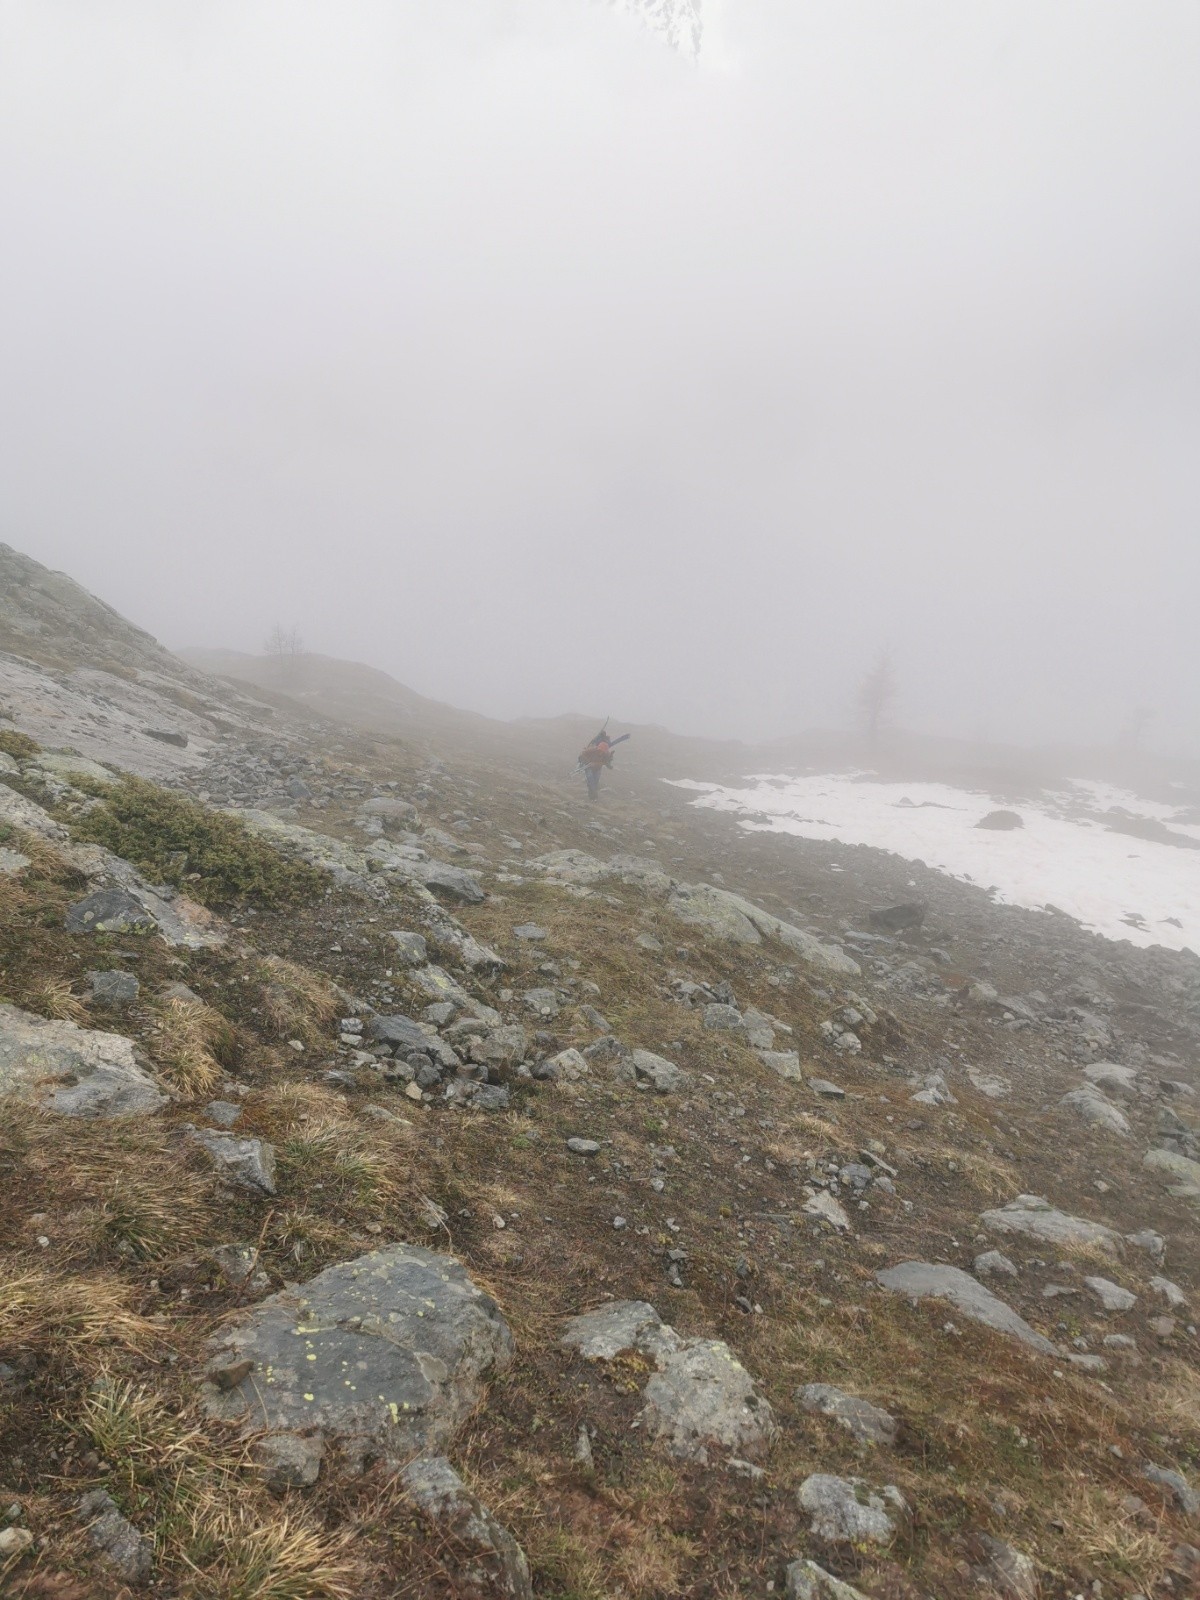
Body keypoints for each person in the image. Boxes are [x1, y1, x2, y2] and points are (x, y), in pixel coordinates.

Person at [578, 725, 629, 800]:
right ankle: (594, 797)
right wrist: (588, 762)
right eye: (600, 750)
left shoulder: (606, 751)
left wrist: (597, 764)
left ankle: (592, 797)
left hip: (597, 768)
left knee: (595, 782)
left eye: (603, 751)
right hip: (588, 766)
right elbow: (582, 754)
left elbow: (605, 762)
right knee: (591, 781)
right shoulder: (593, 749)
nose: (601, 752)